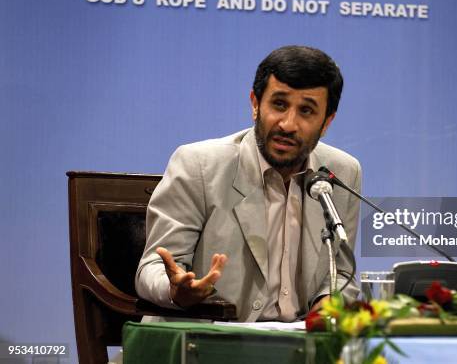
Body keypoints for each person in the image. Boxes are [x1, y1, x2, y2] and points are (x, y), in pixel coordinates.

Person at [135, 45, 361, 322]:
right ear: (255, 104)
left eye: (306, 111)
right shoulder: (199, 165)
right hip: (207, 341)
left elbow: (341, 272)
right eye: (279, 104)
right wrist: (176, 290)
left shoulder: (342, 173)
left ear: (326, 122)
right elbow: (153, 267)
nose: (288, 124)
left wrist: (329, 304)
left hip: (300, 345)